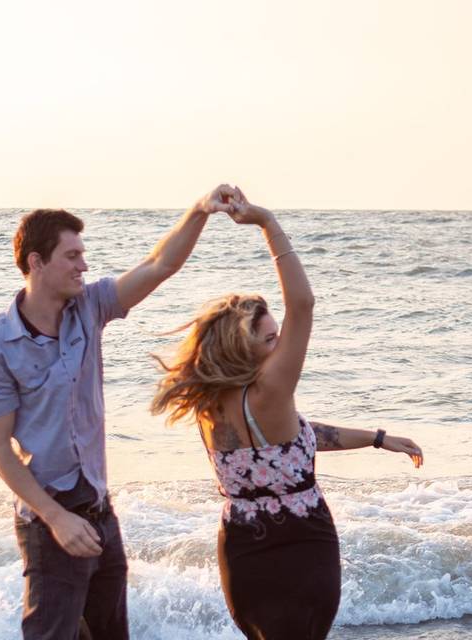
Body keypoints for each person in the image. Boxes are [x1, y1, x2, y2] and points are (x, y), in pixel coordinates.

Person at [0, 185, 238, 640]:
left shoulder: (89, 308)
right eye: (71, 255)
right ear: (36, 262)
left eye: (82, 254)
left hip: (98, 508)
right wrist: (56, 518)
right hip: (49, 520)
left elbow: (159, 264)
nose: (83, 265)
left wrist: (200, 211)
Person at [150, 189, 424, 639]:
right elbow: (303, 305)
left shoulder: (204, 402)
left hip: (241, 552)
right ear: (245, 346)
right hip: (301, 546)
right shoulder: (271, 391)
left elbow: (292, 441)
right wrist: (267, 222)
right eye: (270, 338)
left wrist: (377, 438)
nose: (279, 344)